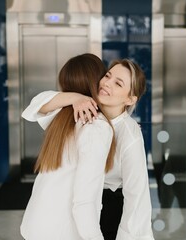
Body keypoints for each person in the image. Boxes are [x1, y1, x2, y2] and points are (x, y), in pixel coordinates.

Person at [22, 58, 155, 240]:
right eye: (107, 76)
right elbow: (36, 106)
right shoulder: (82, 113)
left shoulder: (129, 134)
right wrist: (76, 97)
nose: (107, 83)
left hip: (107, 203)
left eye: (118, 83)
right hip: (81, 206)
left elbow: (136, 195)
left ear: (130, 99)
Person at [20, 53, 116, 240]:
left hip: (36, 224)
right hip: (62, 230)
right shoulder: (95, 126)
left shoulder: (61, 118)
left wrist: (74, 98)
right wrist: (77, 97)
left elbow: (37, 104)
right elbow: (84, 202)